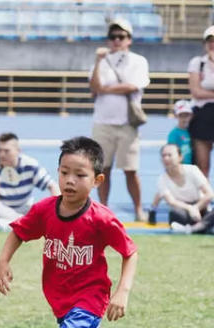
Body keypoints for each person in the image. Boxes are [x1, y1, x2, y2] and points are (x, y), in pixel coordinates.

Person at [0, 136, 142, 328]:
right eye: (64, 172)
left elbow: (130, 252)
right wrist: (3, 261)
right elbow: (19, 232)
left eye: (80, 174)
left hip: (91, 294)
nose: (70, 181)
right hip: (60, 297)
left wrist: (122, 292)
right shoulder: (45, 210)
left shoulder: (100, 218)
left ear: (98, 180)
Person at [90, 18, 150, 222]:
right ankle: (103, 209)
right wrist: (98, 62)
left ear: (129, 40)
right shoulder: (101, 62)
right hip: (103, 122)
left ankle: (138, 208)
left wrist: (105, 89)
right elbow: (94, 87)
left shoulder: (138, 61)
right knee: (102, 169)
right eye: (113, 37)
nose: (116, 40)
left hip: (127, 123)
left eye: (121, 37)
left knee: (130, 170)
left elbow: (133, 86)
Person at [0, 132, 59, 231]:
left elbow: (52, 185)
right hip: (1, 209)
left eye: (6, 151)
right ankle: (24, 223)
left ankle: (12, 224)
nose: (2, 155)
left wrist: (56, 208)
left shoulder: (30, 165)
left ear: (18, 151)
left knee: (42, 208)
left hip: (25, 208)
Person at [151, 143, 214, 233]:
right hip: (182, 210)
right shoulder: (161, 179)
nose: (166, 158)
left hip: (201, 208)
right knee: (175, 214)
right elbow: (171, 202)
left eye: (170, 155)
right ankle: (203, 227)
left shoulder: (193, 170)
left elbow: (209, 194)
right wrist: (189, 208)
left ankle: (196, 228)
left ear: (180, 157)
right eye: (163, 156)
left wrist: (196, 207)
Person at [188, 26, 214, 177]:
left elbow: (202, 91)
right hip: (202, 115)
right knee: (202, 164)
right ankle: (202, 198)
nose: (212, 44)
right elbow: (196, 92)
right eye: (209, 40)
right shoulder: (197, 63)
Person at [168, 99, 193, 165]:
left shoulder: (192, 132)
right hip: (179, 167)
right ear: (176, 116)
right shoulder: (173, 134)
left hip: (192, 167)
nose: (184, 118)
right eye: (181, 115)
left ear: (191, 116)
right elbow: (171, 152)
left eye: (186, 115)